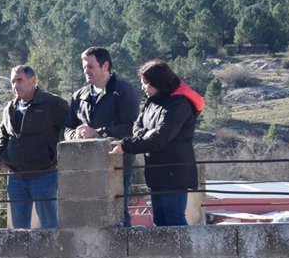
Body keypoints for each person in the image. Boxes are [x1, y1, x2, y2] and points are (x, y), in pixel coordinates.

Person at [110, 59, 204, 227]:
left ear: (159, 82)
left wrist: (125, 145)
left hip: (174, 174)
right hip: (157, 173)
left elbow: (160, 139)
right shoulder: (152, 101)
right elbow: (136, 127)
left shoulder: (179, 104)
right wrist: (148, 133)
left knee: (174, 221)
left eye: (147, 83)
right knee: (159, 221)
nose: (143, 87)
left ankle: (184, 246)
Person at [65, 47, 140, 226]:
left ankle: (123, 244)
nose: (86, 71)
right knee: (88, 216)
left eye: (90, 66)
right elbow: (67, 127)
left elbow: (131, 127)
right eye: (84, 67)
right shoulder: (78, 96)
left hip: (117, 164)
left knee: (118, 215)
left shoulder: (124, 91)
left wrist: (99, 133)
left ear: (105, 66)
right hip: (85, 165)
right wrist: (75, 134)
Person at [0, 65, 69, 229]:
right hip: (16, 177)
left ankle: (53, 248)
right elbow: (4, 133)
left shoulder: (52, 103)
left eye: (19, 80)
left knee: (50, 226)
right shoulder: (10, 108)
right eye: (13, 81)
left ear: (33, 80)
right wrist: (0, 156)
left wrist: (59, 156)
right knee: (19, 229)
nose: (15, 85)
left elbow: (70, 127)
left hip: (44, 174)